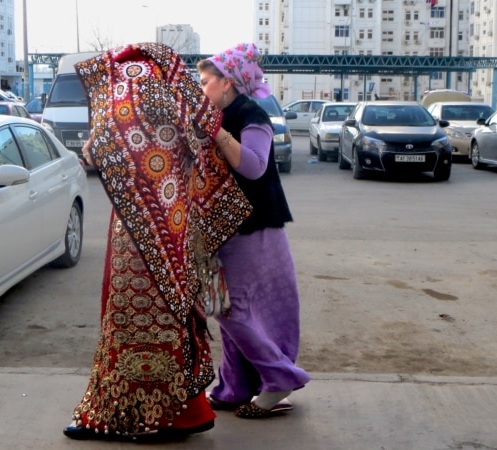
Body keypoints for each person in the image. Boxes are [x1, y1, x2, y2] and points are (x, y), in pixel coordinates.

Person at [62, 42, 252, 441]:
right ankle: (176, 413)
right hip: (175, 226)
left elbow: (96, 151)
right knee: (166, 317)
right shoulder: (179, 96)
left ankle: (144, 416)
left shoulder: (132, 88)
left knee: (132, 322)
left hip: (136, 231)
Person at [196, 43, 311, 419]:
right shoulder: (217, 114)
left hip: (252, 224)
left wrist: (218, 135)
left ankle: (278, 380)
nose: (202, 89)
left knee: (232, 309)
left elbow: (255, 167)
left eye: (206, 82)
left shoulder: (251, 115)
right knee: (226, 308)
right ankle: (235, 386)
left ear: (228, 83)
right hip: (223, 225)